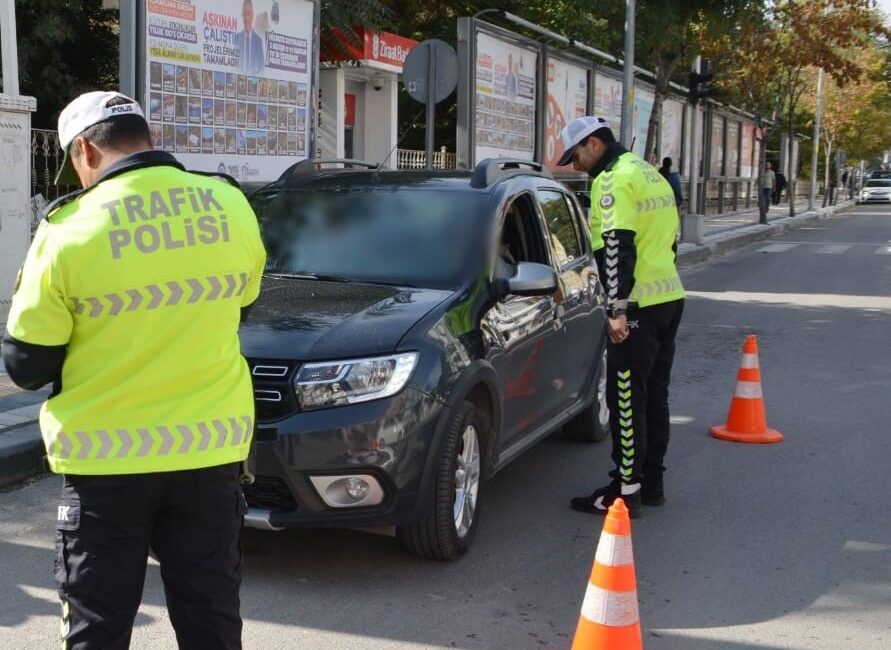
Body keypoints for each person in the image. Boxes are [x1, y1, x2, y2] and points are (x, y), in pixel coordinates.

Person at [1, 91, 266, 648]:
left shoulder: (68, 230)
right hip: (210, 452)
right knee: (212, 623)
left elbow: (26, 365)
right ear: (147, 138)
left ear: (84, 151)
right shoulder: (229, 204)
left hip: (106, 465)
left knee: (98, 627)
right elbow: (240, 305)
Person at [557, 116, 685, 518]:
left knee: (626, 398)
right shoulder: (649, 173)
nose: (574, 164)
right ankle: (651, 484)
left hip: (637, 308)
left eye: (575, 154)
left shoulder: (612, 179)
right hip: (668, 298)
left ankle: (623, 492)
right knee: (654, 396)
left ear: (594, 143)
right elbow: (669, 240)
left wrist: (617, 309)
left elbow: (616, 248)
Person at [236, 0, 265, 73]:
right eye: (245, 13)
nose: (247, 18)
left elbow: (261, 68)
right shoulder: (236, 39)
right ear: (242, 15)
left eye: (249, 13)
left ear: (252, 16)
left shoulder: (258, 41)